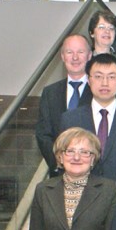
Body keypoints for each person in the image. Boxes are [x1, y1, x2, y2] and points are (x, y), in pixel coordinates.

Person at [60, 53, 116, 181]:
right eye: (98, 76)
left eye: (111, 77)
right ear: (88, 79)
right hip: (81, 194)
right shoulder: (70, 119)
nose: (105, 83)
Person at [36, 34, 93, 176]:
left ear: (90, 55)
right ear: (62, 56)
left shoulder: (99, 91)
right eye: (69, 52)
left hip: (93, 174)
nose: (75, 57)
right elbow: (43, 134)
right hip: (59, 175)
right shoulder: (50, 92)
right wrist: (59, 162)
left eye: (80, 52)